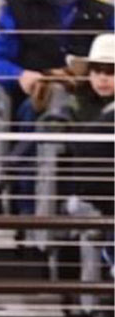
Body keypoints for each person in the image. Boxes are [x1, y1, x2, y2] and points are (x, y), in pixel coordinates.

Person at [0, 0, 112, 212]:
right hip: (35, 97)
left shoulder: (103, 14)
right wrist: (21, 76)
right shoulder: (16, 7)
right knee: (46, 110)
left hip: (94, 96)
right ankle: (34, 212)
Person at [41, 33, 115, 224]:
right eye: (97, 71)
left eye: (110, 71)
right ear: (89, 74)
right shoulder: (75, 103)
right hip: (87, 186)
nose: (102, 78)